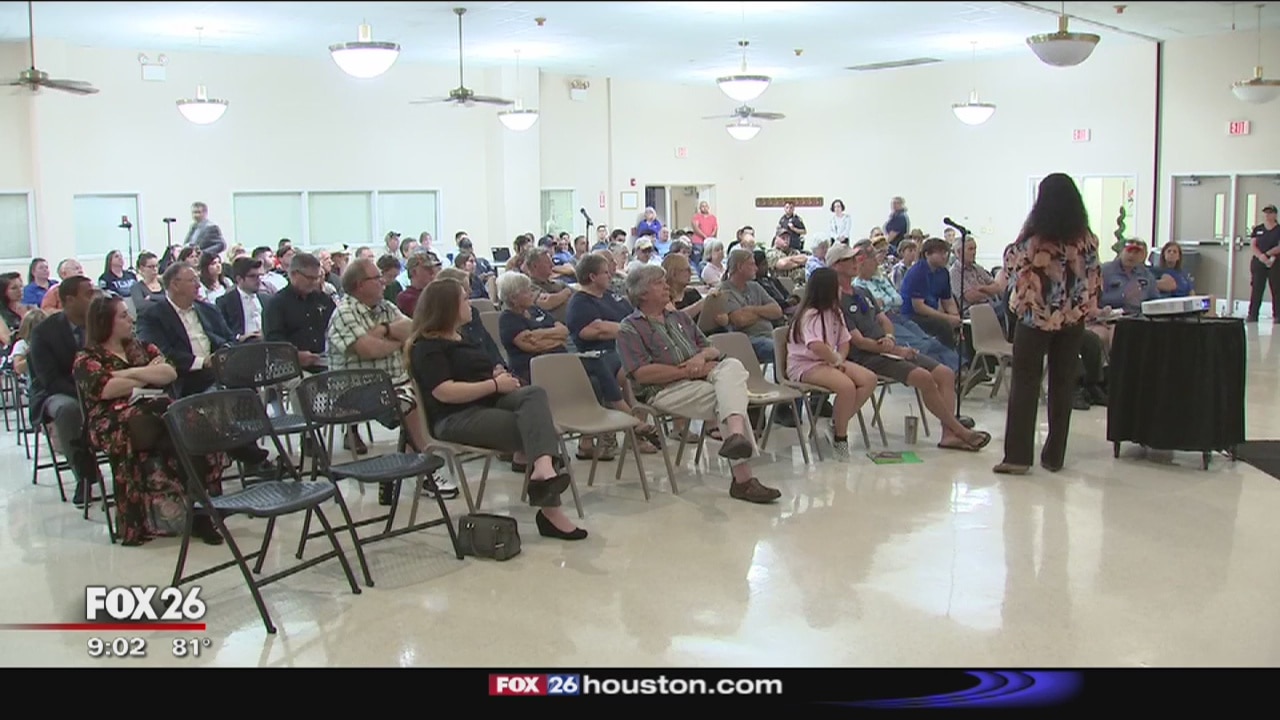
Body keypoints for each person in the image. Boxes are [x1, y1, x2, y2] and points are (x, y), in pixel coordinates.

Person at [408, 278, 586, 541]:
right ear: (447, 307)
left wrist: (496, 373)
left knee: (534, 394)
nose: (470, 303)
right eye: (464, 299)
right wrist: (493, 384)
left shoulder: (464, 336)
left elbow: (484, 366)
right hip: (456, 417)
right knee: (536, 431)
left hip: (488, 401)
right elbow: (444, 391)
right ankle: (550, 508)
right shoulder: (426, 347)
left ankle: (544, 471)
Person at [617, 265, 782, 504]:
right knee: (727, 397)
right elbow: (642, 374)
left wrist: (700, 358)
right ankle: (743, 479)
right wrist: (686, 369)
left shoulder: (679, 317)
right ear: (642, 293)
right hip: (664, 391)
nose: (666, 286)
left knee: (733, 366)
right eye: (658, 283)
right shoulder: (629, 328)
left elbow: (710, 347)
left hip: (701, 378)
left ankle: (736, 439)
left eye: (665, 281)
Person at [73, 295, 224, 546]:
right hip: (111, 419)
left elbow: (168, 373)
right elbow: (107, 390)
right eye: (123, 315)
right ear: (105, 322)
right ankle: (197, 509)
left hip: (155, 410)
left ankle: (194, 504)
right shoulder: (86, 358)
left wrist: (128, 373)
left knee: (189, 421)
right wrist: (146, 374)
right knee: (164, 423)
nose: (130, 319)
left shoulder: (143, 347)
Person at [828, 244, 991, 452]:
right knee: (924, 377)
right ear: (835, 266)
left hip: (887, 347)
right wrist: (893, 350)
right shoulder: (837, 299)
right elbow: (858, 342)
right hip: (867, 356)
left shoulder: (862, 291)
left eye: (855, 259)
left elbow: (884, 320)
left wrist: (889, 337)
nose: (855, 263)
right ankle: (959, 430)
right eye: (849, 260)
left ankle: (949, 434)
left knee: (945, 373)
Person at [995, 173, 1101, 475]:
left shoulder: (1033, 241)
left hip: (1035, 318)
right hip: (1072, 320)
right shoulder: (1087, 240)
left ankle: (1017, 457)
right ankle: (1054, 456)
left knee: (1025, 384)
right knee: (1062, 384)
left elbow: (1013, 272)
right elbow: (1093, 279)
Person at [784, 267, 878, 459]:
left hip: (829, 360)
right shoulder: (810, 314)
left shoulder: (835, 312)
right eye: (838, 286)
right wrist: (835, 360)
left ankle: (837, 422)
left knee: (869, 379)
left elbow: (844, 341)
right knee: (846, 387)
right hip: (806, 365)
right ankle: (840, 437)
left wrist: (840, 359)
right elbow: (816, 345)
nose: (842, 290)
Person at [27, 276, 102, 504]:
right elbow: (49, 379)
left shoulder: (101, 323)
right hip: (57, 391)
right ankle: (84, 475)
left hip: (101, 385)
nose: (95, 298)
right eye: (88, 294)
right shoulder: (44, 333)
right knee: (68, 409)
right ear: (69, 300)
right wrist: (85, 394)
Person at [1247, 203, 1279, 323]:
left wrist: (1268, 254)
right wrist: (1261, 256)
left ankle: (1277, 315)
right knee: (1256, 288)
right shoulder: (1258, 229)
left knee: (1276, 289)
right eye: (1265, 213)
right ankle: (1253, 314)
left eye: (1270, 213)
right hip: (1259, 262)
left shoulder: (1278, 229)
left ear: (1275, 215)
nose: (1267, 215)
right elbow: (1253, 245)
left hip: (1275, 262)